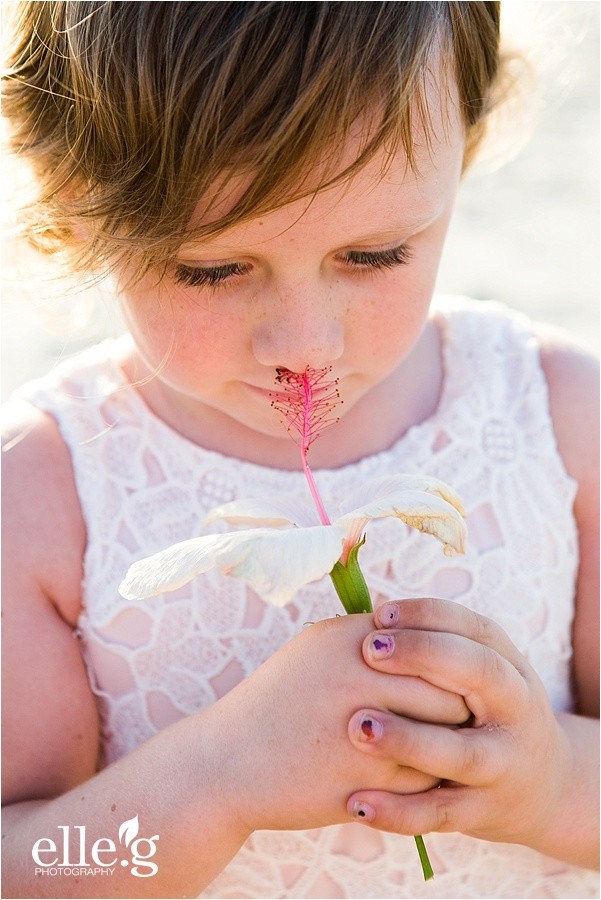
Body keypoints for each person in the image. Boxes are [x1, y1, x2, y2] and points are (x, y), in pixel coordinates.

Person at [2, 2, 598, 898]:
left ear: (463, 147)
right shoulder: (42, 493)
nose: (305, 345)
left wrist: (549, 784)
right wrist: (215, 780)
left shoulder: (559, 418)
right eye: (212, 269)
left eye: (375, 254)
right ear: (73, 203)